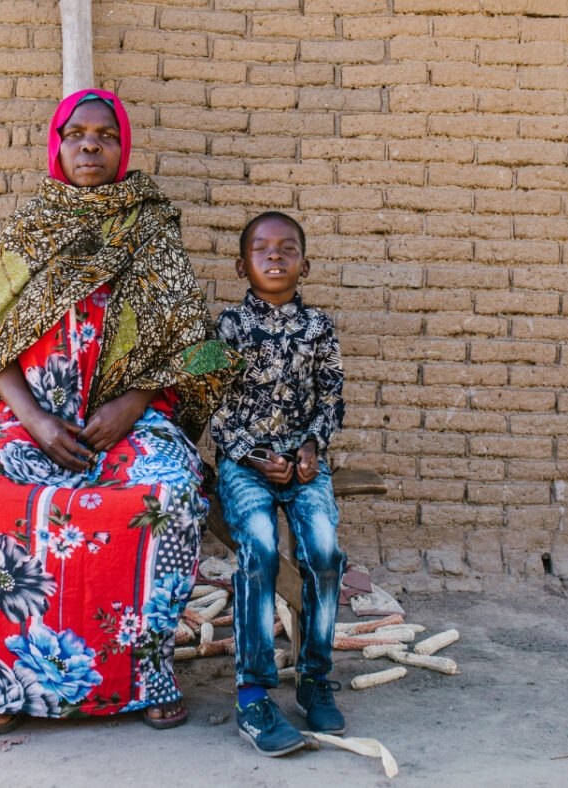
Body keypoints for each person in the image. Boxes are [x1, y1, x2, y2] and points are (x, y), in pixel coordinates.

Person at [0, 89, 238, 735]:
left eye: (105, 135)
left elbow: (198, 348)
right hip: (34, 420)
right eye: (76, 134)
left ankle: (146, 676)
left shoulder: (152, 229)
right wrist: (38, 423)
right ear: (58, 145)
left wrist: (133, 405)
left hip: (130, 422)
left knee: (170, 493)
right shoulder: (27, 230)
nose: (90, 146)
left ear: (122, 146)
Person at [210, 211, 347, 756]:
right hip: (245, 465)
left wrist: (311, 448)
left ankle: (314, 677)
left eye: (287, 248)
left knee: (324, 551)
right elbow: (210, 404)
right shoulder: (223, 327)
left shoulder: (320, 327)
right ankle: (253, 694)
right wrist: (255, 454)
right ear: (241, 267)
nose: (274, 255)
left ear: (305, 265)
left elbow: (333, 398)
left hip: (306, 463)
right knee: (261, 548)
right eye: (260, 249)